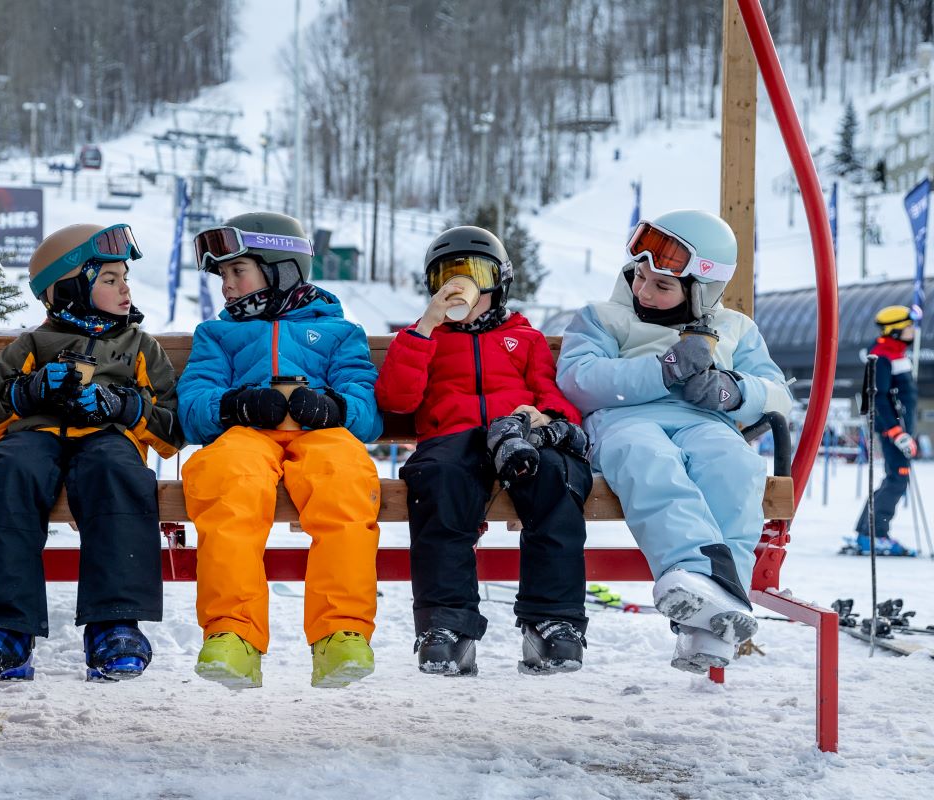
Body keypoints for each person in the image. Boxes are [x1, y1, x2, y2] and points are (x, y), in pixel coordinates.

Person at [557, 210, 793, 674]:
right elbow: (578, 379)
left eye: (661, 286)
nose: (644, 291)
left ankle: (710, 621)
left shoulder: (736, 329)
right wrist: (662, 370)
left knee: (734, 467)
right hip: (626, 420)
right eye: (640, 276)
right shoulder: (605, 317)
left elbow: (779, 395)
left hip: (707, 424)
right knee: (649, 460)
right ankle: (694, 577)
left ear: (701, 290)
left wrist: (733, 390)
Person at [0, 223, 184, 682]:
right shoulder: (33, 345)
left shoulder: (139, 346)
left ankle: (115, 623)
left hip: (107, 440)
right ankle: (1, 630)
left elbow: (174, 428)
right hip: (33, 438)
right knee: (5, 471)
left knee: (118, 473)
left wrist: (124, 405)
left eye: (125, 278)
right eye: (110, 279)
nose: (125, 289)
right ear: (68, 289)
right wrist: (27, 393)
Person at [177, 212, 383, 689]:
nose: (226, 287)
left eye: (237, 272)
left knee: (345, 484)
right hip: (247, 436)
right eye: (222, 275)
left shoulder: (339, 333)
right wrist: (237, 404)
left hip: (321, 436)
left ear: (281, 268)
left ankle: (341, 633)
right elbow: (192, 407)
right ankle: (233, 634)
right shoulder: (218, 335)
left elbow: (367, 412)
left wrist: (330, 406)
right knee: (227, 483)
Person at [375, 226, 592, 677]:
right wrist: (426, 328)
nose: (462, 288)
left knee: (555, 476)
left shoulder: (525, 339)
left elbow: (553, 395)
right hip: (451, 439)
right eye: (446, 278)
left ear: (500, 282)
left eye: (474, 274)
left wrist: (544, 419)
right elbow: (397, 399)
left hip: (515, 435)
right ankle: (446, 627)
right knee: (439, 480)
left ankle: (551, 622)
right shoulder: (421, 339)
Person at [853, 305, 920, 556]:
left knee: (894, 478)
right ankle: (874, 535)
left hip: (901, 430)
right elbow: (878, 398)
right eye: (908, 327)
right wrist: (896, 432)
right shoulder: (882, 355)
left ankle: (866, 532)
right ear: (895, 331)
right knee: (897, 478)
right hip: (894, 431)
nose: (912, 331)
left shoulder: (896, 352)